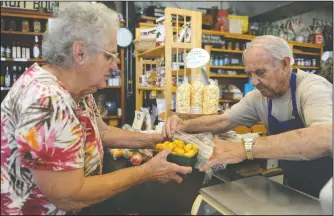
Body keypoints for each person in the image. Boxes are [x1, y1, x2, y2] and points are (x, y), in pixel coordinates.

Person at [0, 3, 192, 215]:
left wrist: (158, 139)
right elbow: (69, 195)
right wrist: (147, 172)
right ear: (80, 52)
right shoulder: (47, 101)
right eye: (109, 56)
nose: (115, 66)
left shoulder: (80, 92)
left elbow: (102, 132)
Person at [163, 35, 332, 198]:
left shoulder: (312, 87)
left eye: (260, 72)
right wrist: (183, 125)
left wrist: (246, 148)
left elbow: (324, 137)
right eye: (249, 74)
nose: (254, 82)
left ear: (285, 64)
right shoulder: (259, 97)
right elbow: (222, 121)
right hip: (296, 188)